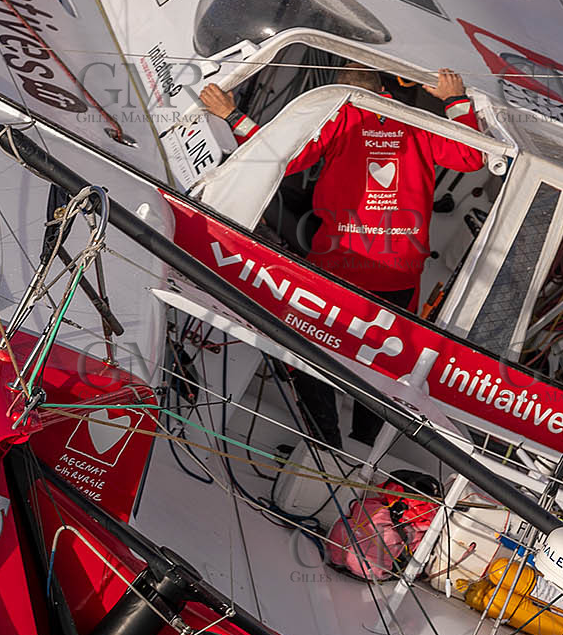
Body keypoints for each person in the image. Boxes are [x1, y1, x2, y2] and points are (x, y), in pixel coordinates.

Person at [200, 65, 484, 448]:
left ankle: (325, 442)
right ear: (384, 88)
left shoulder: (341, 115)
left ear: (338, 91)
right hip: (398, 270)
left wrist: (231, 115)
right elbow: (471, 158)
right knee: (382, 362)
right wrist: (455, 100)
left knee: (309, 348)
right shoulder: (418, 123)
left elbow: (284, 158)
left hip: (339, 266)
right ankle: (364, 444)